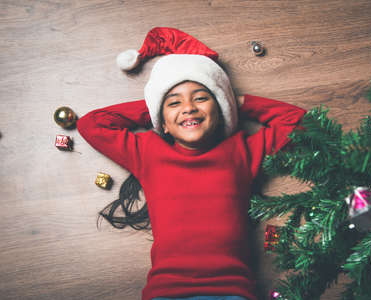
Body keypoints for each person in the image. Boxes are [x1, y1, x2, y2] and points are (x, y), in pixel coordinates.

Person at [77, 27, 306, 300]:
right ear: (162, 124)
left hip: (234, 291)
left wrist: (236, 103)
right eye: (175, 103)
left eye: (201, 98)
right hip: (166, 291)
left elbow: (301, 124)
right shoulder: (147, 152)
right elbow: (91, 124)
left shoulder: (242, 151)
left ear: (221, 110)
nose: (188, 107)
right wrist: (155, 105)